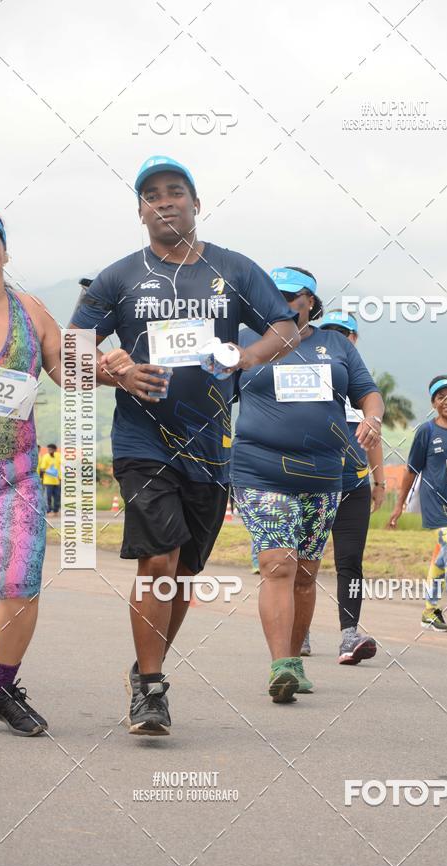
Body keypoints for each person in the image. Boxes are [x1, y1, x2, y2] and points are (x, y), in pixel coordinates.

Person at [69, 156, 299, 736]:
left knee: (182, 576)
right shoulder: (116, 280)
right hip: (143, 440)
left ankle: (147, 671)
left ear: (197, 203)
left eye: (175, 192)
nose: (164, 201)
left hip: (211, 447)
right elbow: (68, 359)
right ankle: (151, 689)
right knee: (158, 561)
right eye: (151, 195)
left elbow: (285, 326)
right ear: (140, 211)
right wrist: (111, 372)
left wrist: (244, 358)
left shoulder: (234, 271)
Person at [0, 210, 128, 736]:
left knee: (20, 586)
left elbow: (67, 371)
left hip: (17, 477)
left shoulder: (30, 311)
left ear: (5, 250)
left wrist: (110, 369)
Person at [231, 267, 383, 703]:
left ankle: (294, 660)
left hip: (321, 475)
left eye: (291, 296)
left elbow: (368, 393)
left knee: (305, 572)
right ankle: (280, 664)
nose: (281, 303)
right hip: (259, 470)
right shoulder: (245, 342)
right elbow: (210, 390)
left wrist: (372, 417)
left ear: (311, 303)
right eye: (273, 296)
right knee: (278, 562)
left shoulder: (335, 346)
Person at [301, 310, 385, 664]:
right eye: (332, 331)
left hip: (353, 486)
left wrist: (379, 480)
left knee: (350, 561)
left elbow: (373, 437)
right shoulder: (312, 378)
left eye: (347, 333)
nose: (340, 338)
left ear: (354, 340)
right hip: (313, 484)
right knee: (305, 561)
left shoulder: (362, 387)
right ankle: (298, 631)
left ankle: (349, 635)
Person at [389, 375, 447, 634]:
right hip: (435, 503)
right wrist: (399, 506)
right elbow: (410, 471)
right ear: (433, 402)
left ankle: (430, 612)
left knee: (443, 556)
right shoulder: (426, 432)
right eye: (441, 397)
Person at [39, 442, 61, 515]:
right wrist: (41, 478)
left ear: (55, 450)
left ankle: (56, 511)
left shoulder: (59, 456)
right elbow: (42, 469)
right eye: (48, 450)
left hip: (57, 480)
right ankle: (48, 511)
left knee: (57, 496)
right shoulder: (45, 457)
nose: (49, 451)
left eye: (51, 450)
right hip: (48, 481)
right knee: (48, 497)